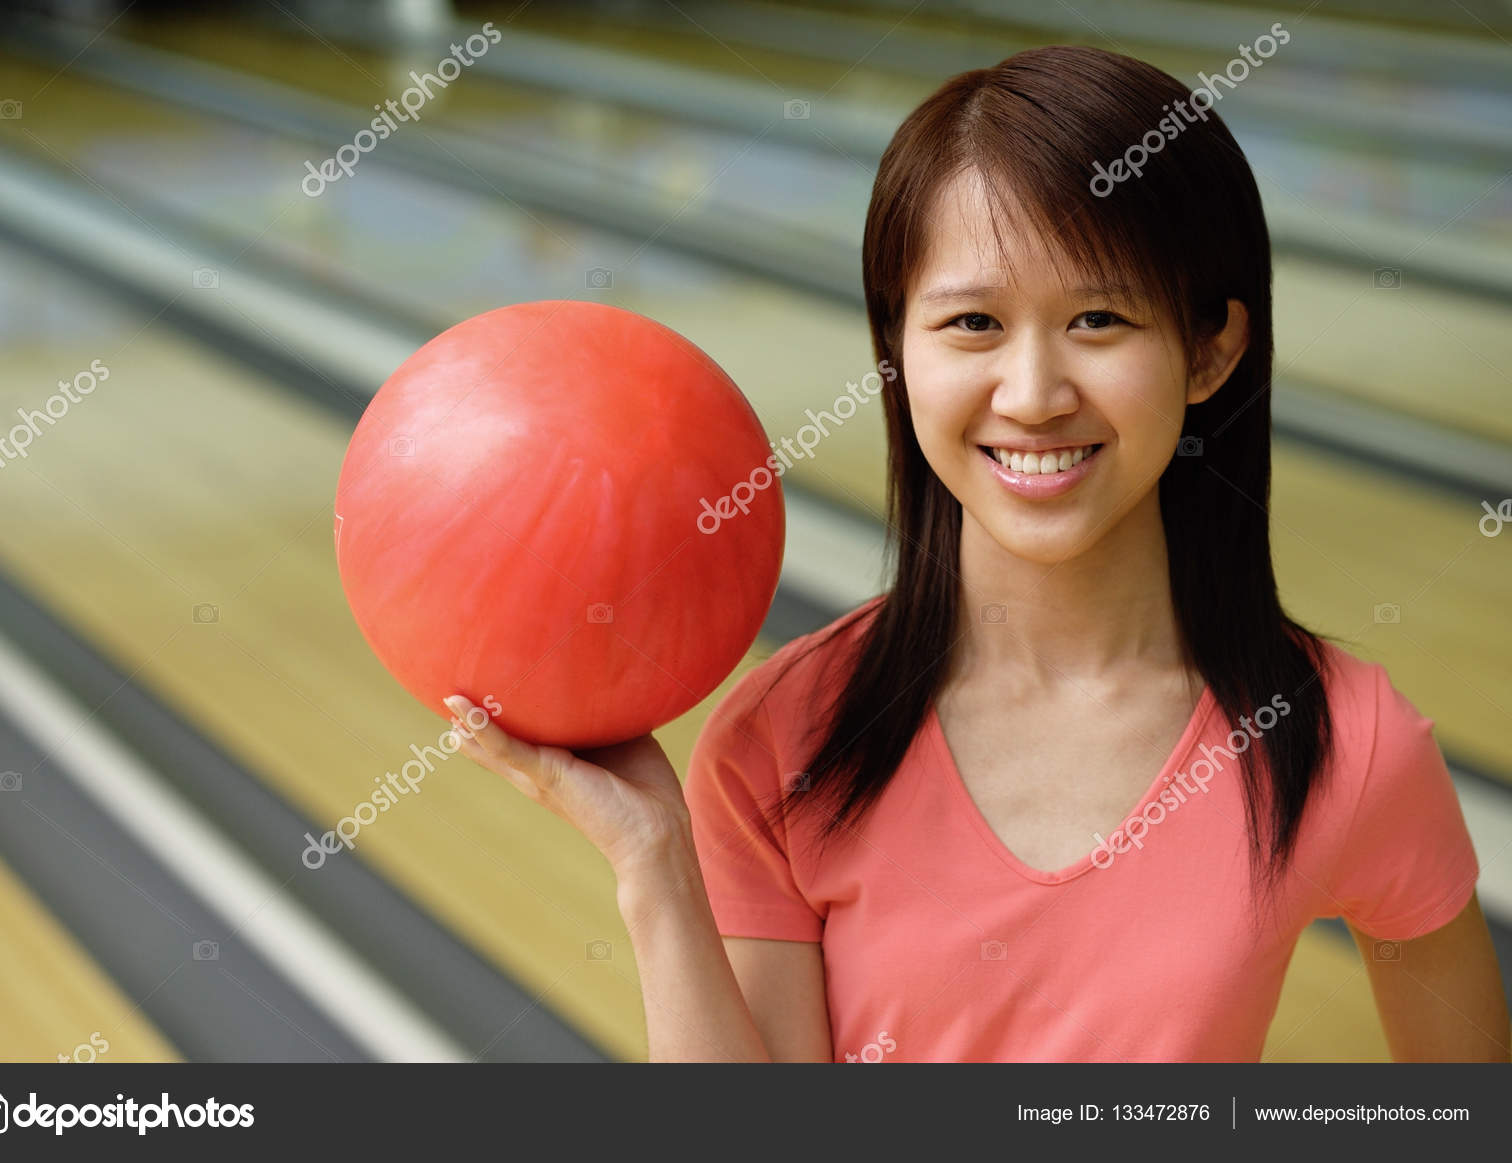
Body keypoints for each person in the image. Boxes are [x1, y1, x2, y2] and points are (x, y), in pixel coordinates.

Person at [445, 44, 1510, 1062]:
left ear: (1208, 349)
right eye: (971, 325)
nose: (1034, 395)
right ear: (894, 348)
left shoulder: (1340, 743)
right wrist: (653, 863)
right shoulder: (784, 740)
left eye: (1097, 318)